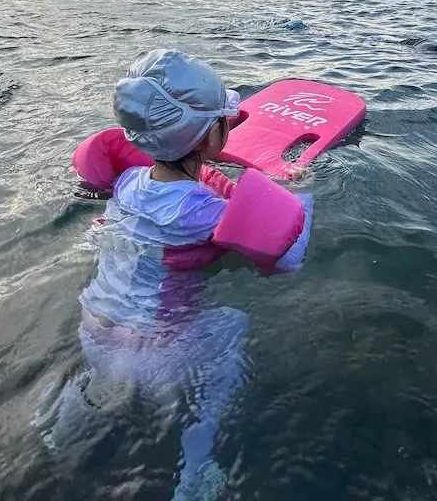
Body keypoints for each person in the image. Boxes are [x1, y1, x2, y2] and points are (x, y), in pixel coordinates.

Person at [59, 50, 310, 500]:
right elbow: (287, 262)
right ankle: (197, 464)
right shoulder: (206, 211)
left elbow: (165, 209)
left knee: (112, 341)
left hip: (93, 330)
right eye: (224, 120)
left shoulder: (127, 183)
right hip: (156, 354)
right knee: (233, 323)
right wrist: (299, 194)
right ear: (209, 136)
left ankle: (67, 418)